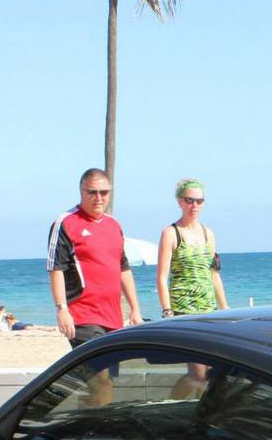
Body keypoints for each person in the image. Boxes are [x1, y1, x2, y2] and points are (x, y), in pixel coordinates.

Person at [47, 168, 141, 350]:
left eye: (104, 192)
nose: (99, 198)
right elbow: (56, 268)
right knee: (100, 368)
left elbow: (123, 268)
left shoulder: (114, 224)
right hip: (83, 315)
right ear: (81, 191)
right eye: (92, 192)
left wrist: (135, 309)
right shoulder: (66, 222)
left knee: (109, 367)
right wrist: (62, 309)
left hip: (113, 317)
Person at [157, 178, 228, 398]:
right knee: (198, 375)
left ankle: (190, 408)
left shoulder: (209, 234)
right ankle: (171, 403)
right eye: (189, 200)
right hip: (184, 312)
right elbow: (161, 277)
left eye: (199, 201)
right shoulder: (171, 233)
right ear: (180, 201)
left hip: (209, 311)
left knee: (210, 373)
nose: (194, 205)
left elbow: (214, 274)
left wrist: (225, 309)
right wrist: (167, 311)